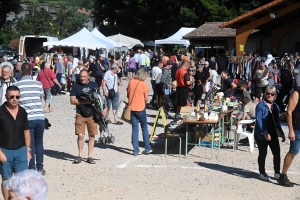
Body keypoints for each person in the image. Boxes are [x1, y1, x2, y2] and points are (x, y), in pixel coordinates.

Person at [0, 86, 32, 200]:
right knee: (6, 179)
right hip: (4, 151)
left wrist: (28, 150)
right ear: (6, 97)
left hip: (21, 151)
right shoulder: (0, 111)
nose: (14, 99)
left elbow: (26, 131)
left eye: (17, 97)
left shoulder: (23, 112)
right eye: (11, 97)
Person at [14, 63, 46, 175]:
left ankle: (32, 167)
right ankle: (40, 167)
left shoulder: (17, 85)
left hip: (28, 118)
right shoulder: (38, 84)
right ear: (31, 71)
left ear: (21, 72)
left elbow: (16, 102)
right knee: (39, 142)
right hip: (40, 116)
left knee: (30, 143)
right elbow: (40, 99)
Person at [70, 70, 107, 164]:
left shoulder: (94, 85)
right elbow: (72, 100)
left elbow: (100, 98)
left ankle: (90, 156)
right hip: (80, 113)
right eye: (81, 77)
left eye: (84, 77)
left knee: (92, 135)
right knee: (80, 135)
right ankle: (80, 155)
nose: (82, 78)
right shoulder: (76, 86)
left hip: (92, 114)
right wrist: (85, 101)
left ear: (88, 77)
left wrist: (105, 108)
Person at [254, 86, 286, 181]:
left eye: (272, 94)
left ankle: (277, 172)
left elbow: (277, 122)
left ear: (275, 95)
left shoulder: (275, 106)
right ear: (265, 94)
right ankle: (262, 172)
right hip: (261, 134)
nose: (269, 95)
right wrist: (265, 132)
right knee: (263, 153)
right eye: (268, 93)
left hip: (273, 133)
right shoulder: (260, 106)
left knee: (277, 153)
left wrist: (281, 133)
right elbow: (259, 120)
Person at [277, 86, 300, 187]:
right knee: (293, 152)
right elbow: (289, 112)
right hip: (297, 128)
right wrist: (291, 130)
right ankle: (283, 176)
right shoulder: (297, 92)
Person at [127, 68, 152, 155]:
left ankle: (136, 150)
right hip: (141, 108)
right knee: (144, 127)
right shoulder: (143, 84)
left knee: (134, 129)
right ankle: (147, 148)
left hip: (132, 108)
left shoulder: (131, 82)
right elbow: (146, 98)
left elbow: (128, 94)